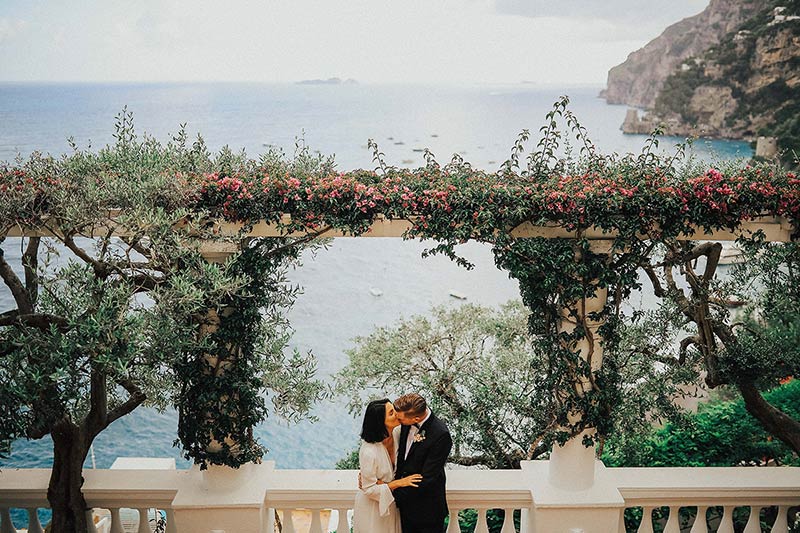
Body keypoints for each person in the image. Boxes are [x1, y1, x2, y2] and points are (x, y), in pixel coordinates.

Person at [353, 398, 423, 533]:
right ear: (380, 422)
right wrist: (399, 483)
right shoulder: (368, 451)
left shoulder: (397, 434)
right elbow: (368, 489)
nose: (397, 414)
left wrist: (384, 485)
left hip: (391, 503)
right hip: (372, 509)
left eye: (394, 410)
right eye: (391, 413)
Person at [393, 393, 453, 533]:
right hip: (405, 508)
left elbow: (427, 478)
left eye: (400, 418)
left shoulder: (441, 434)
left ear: (416, 418)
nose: (397, 419)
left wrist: (391, 494)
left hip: (427, 510)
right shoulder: (407, 421)